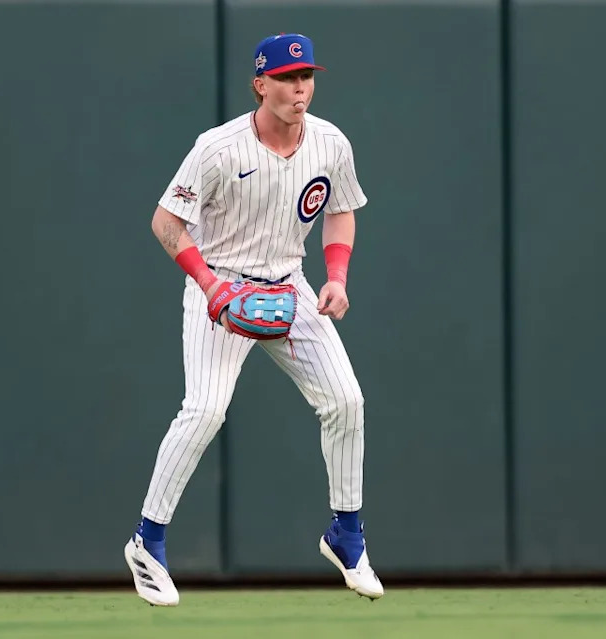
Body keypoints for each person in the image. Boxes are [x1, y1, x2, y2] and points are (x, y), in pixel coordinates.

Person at [124, 33, 383, 606]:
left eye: (307, 76)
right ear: (260, 84)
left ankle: (346, 533)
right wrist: (210, 284)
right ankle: (148, 540)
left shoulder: (331, 144)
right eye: (288, 78)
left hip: (290, 285)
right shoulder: (219, 148)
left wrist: (336, 277)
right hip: (221, 282)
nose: (300, 88)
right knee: (206, 410)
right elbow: (166, 222)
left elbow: (340, 211)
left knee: (346, 400)